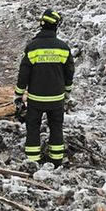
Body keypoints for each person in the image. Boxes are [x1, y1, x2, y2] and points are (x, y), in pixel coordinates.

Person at [15, 9, 75, 167]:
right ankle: (56, 160)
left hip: (36, 99)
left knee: (33, 127)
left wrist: (18, 94)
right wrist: (67, 92)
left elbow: (24, 73)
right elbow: (69, 73)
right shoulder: (63, 47)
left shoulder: (32, 47)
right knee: (56, 128)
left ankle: (33, 161)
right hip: (56, 99)